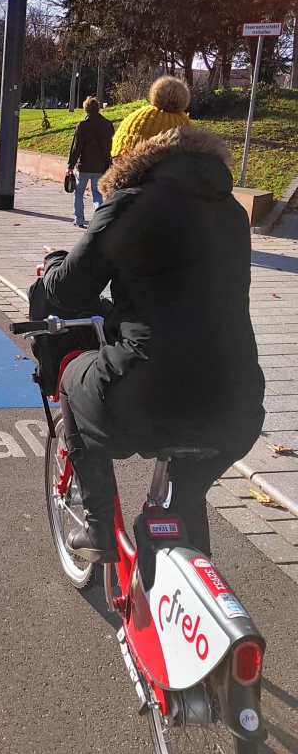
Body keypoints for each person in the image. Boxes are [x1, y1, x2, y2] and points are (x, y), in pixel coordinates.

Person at [40, 77, 264, 563]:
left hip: (148, 390)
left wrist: (55, 262)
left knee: (73, 377)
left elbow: (69, 290)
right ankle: (194, 593)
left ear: (133, 155)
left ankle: (98, 525)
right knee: (186, 500)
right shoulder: (228, 210)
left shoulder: (130, 204)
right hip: (238, 400)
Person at [66, 96, 114, 227]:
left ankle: (79, 219)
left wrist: (70, 166)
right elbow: (111, 146)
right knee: (98, 194)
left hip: (84, 166)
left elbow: (76, 148)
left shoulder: (82, 126)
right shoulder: (108, 125)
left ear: (85, 109)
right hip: (100, 166)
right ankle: (99, 221)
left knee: (79, 192)